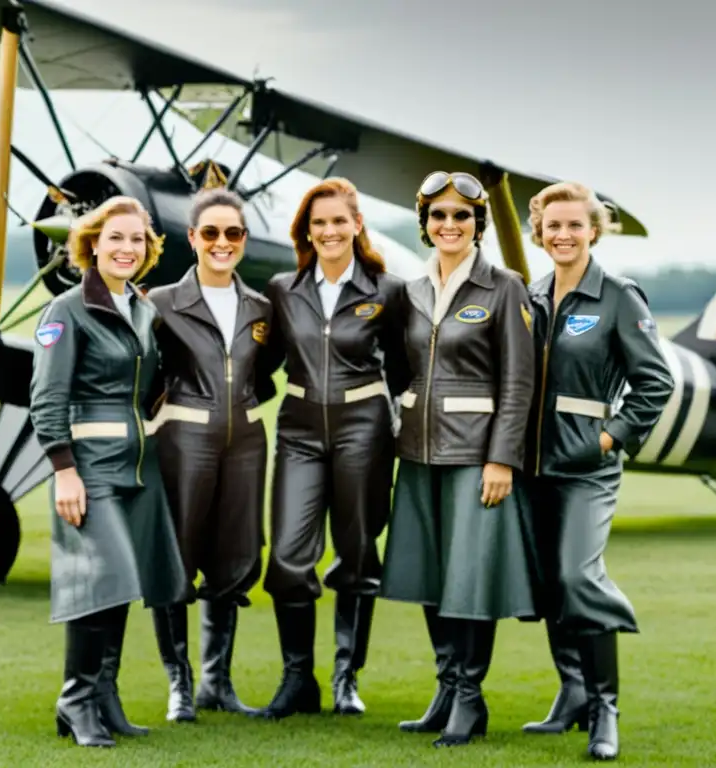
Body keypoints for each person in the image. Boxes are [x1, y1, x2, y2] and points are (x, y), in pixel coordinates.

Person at [379, 171, 541, 747]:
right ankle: (446, 688)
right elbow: (399, 368)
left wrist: (502, 459)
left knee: (471, 579)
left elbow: (520, 382)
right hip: (419, 454)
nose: (450, 225)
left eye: (462, 216)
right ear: (424, 224)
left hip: (477, 457)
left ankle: (471, 699)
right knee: (431, 576)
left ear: (479, 225)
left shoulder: (505, 288)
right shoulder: (408, 291)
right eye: (439, 216)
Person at [520, 181, 674, 761]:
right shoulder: (532, 294)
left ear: (593, 230)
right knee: (549, 584)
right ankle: (573, 691)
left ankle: (605, 709)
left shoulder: (618, 295)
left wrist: (610, 438)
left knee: (578, 576)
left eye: (574, 226)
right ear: (540, 231)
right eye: (552, 225)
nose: (563, 235)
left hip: (588, 465)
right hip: (534, 465)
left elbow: (655, 382)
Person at [28, 195, 188, 747]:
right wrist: (63, 470)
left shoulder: (142, 308)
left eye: (137, 240)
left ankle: (105, 698)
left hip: (138, 469)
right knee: (102, 579)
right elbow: (47, 397)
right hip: (90, 469)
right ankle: (75, 701)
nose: (126, 248)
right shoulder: (65, 311)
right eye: (115, 238)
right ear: (91, 244)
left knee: (122, 585)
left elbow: (151, 383)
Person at [255, 177, 410, 719]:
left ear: (357, 226)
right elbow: (261, 364)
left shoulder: (387, 291)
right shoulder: (282, 289)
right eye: (318, 223)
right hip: (298, 429)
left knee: (360, 554)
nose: (329, 231)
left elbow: (406, 370)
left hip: (364, 429)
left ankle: (346, 678)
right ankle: (298, 678)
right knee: (290, 557)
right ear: (306, 231)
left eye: (338, 221)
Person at [145, 187, 273, 723]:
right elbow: (140, 373)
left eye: (234, 233)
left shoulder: (262, 308)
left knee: (234, 559)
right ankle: (180, 683)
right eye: (212, 233)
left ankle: (216, 682)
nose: (223, 243)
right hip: (182, 444)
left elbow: (265, 373)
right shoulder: (160, 304)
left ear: (243, 240)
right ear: (193, 238)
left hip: (244, 445)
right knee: (176, 559)